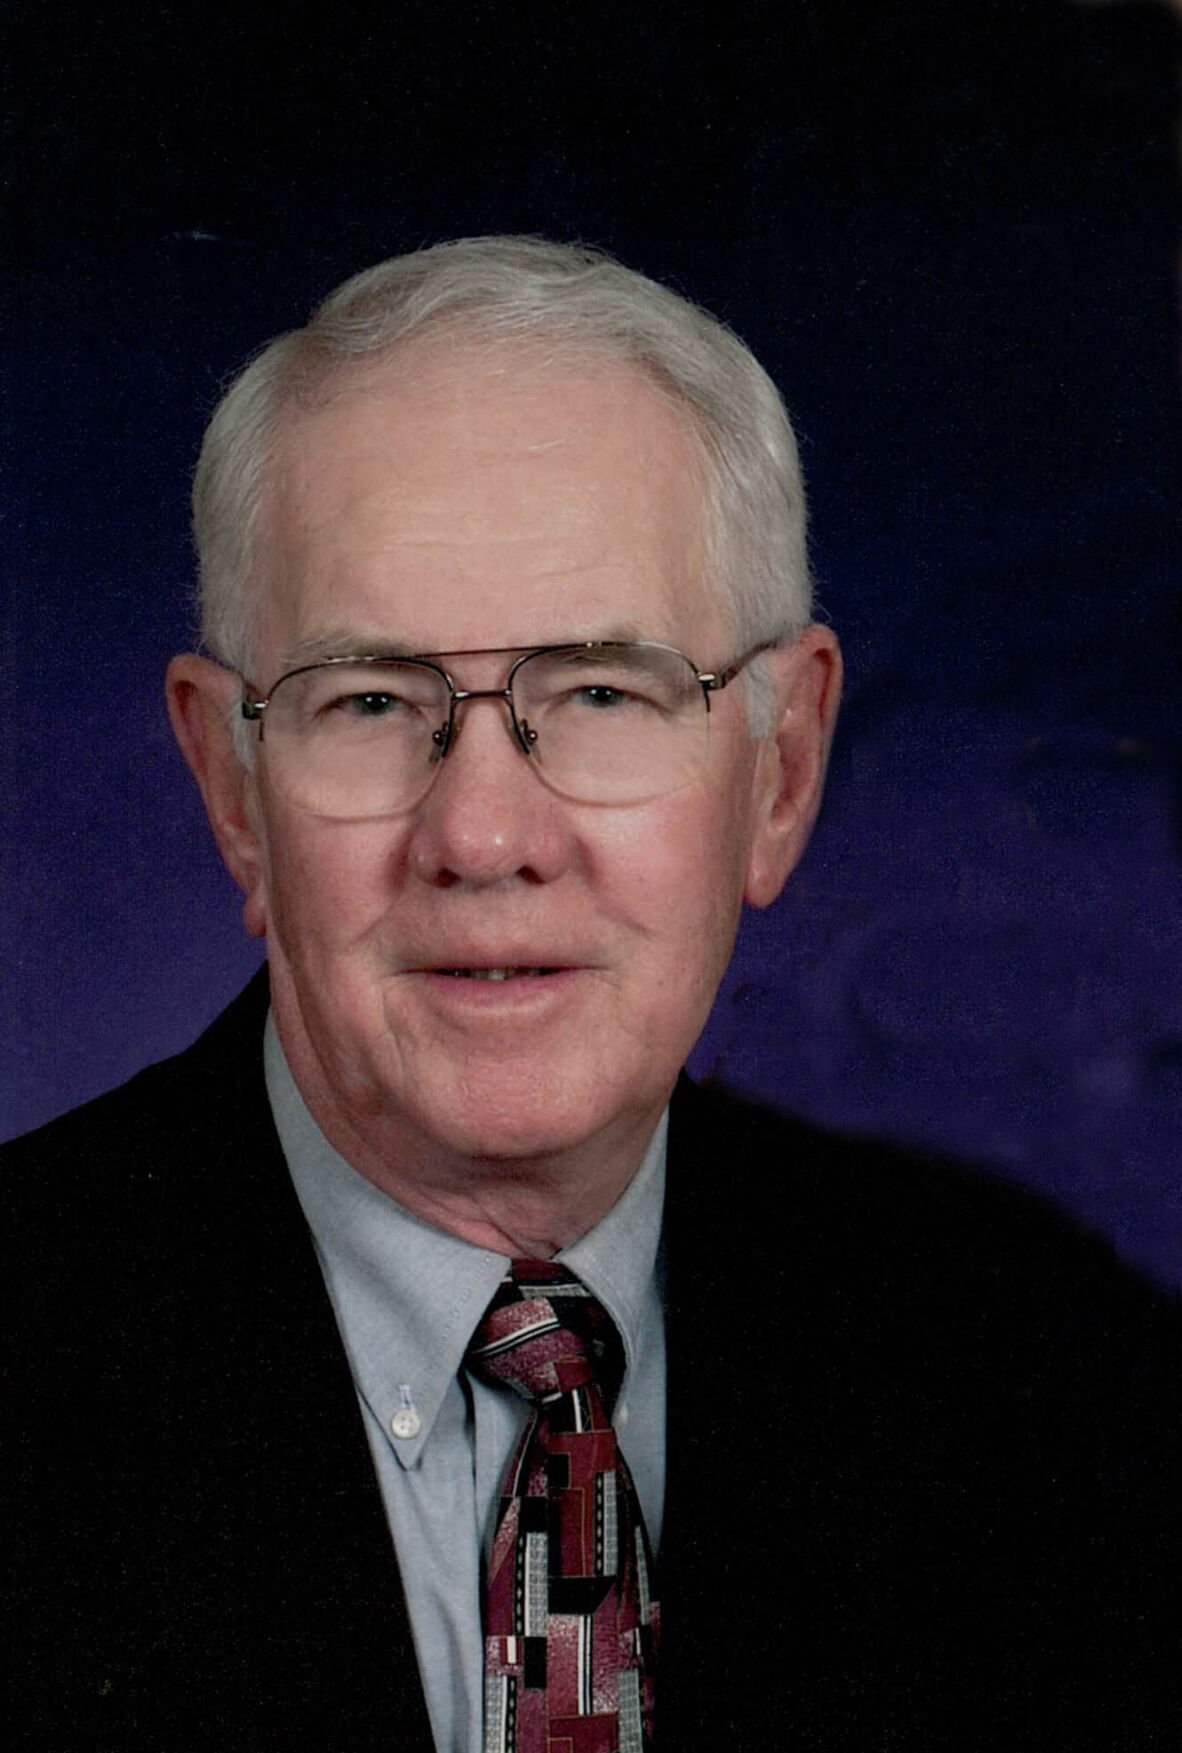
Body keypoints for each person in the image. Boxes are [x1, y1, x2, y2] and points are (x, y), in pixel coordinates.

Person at [6, 237, 1178, 1752]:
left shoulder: (1054, 1386)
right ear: (235, 792)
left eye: (605, 692)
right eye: (371, 700)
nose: (485, 837)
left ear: (781, 770)